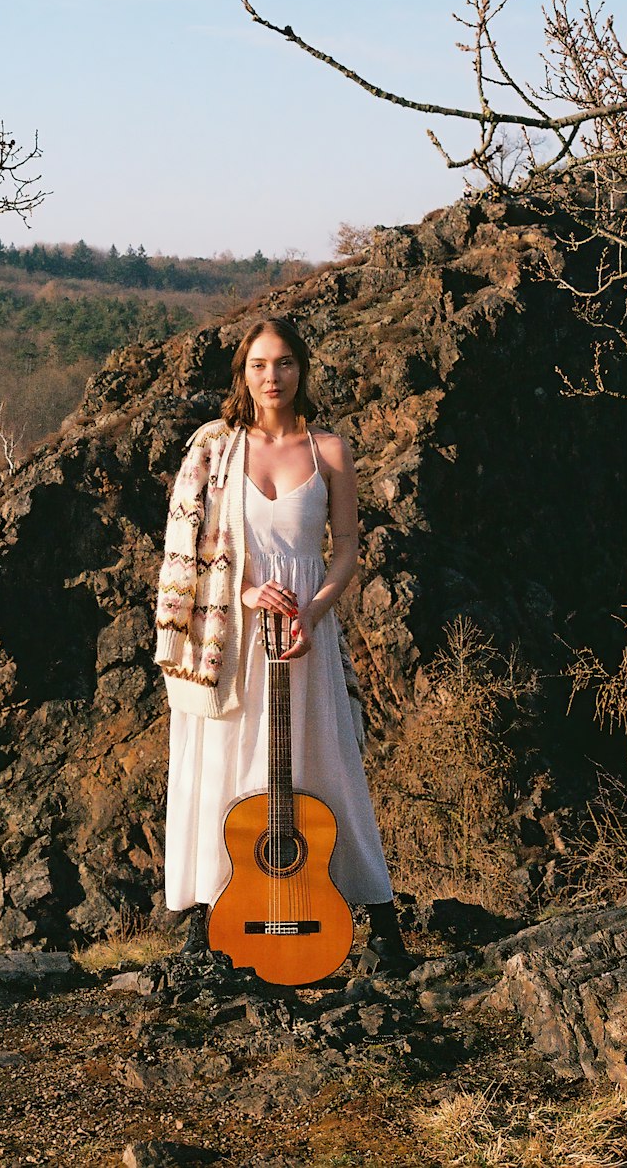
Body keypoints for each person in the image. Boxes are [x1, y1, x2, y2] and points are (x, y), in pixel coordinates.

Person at [154, 315, 411, 973]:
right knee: (221, 768)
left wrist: (316, 612)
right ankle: (207, 920)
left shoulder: (329, 449)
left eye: (286, 362)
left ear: (302, 368)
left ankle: (380, 921)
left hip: (306, 636)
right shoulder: (214, 450)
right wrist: (242, 596)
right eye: (260, 364)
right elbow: (189, 549)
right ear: (244, 372)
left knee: (326, 770)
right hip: (232, 639)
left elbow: (347, 548)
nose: (273, 376)